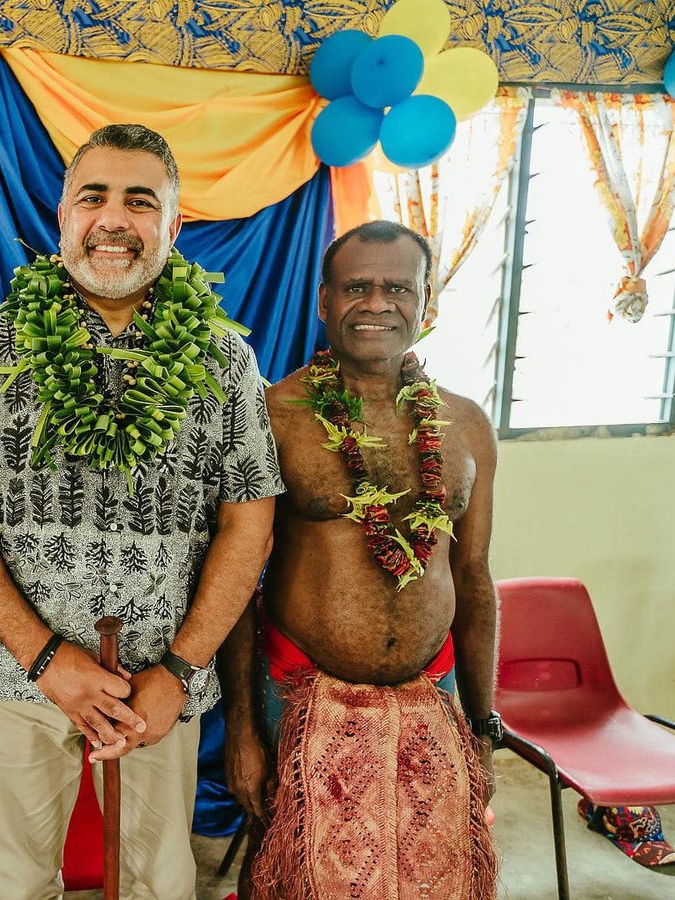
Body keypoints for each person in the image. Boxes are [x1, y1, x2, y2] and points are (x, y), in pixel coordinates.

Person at [0, 123, 280, 899]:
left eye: (140, 202)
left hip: (160, 685)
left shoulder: (225, 362)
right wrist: (47, 658)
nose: (113, 219)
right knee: (17, 883)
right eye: (94, 197)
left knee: (160, 882)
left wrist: (179, 672)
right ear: (63, 216)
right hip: (20, 677)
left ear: (173, 227)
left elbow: (249, 526)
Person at [221, 220, 500, 899]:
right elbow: (235, 580)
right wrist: (243, 730)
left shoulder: (466, 424)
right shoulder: (272, 415)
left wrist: (483, 723)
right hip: (296, 693)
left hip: (432, 694)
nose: (377, 303)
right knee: (292, 873)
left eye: (398, 288)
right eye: (357, 287)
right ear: (324, 301)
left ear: (426, 302)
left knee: (429, 877)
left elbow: (474, 579)